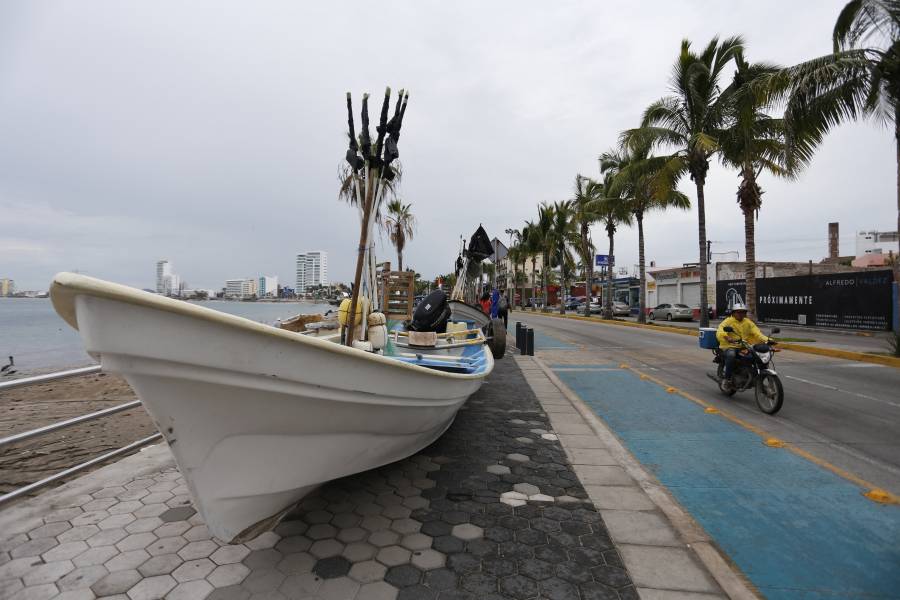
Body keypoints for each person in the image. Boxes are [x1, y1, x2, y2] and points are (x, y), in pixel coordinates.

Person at [716, 302, 773, 389]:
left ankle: (751, 375)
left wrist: (768, 340)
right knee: (731, 355)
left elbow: (757, 333)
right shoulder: (728, 321)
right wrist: (727, 337)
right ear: (733, 313)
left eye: (743, 312)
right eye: (738, 312)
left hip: (744, 346)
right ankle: (727, 380)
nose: (740, 314)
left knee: (755, 356)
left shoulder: (748, 322)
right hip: (729, 346)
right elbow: (720, 331)